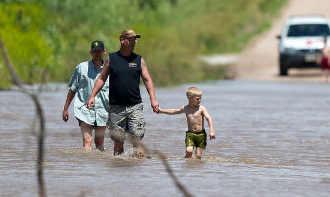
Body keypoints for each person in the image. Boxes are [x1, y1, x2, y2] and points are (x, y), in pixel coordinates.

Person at [87, 29, 159, 157]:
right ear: (122, 40)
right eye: (131, 39)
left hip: (135, 106)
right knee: (118, 143)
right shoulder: (112, 58)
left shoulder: (139, 60)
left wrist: (153, 99)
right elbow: (101, 78)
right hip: (116, 108)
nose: (133, 43)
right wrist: (92, 96)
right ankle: (119, 170)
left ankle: (138, 172)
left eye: (135, 40)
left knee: (137, 140)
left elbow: (147, 80)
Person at [62, 40, 108, 151]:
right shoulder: (81, 68)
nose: (96, 53)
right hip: (84, 109)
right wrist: (66, 109)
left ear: (104, 52)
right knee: (87, 141)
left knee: (99, 144)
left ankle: (97, 167)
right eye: (94, 51)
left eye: (99, 51)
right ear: (90, 52)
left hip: (103, 110)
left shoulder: (109, 69)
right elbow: (72, 89)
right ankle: (85, 167)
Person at [157, 86, 215, 159]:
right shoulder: (185, 108)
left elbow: (209, 119)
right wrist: (161, 111)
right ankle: (187, 163)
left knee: (198, 156)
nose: (200, 100)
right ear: (189, 98)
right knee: (189, 151)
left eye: (200, 98)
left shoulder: (201, 108)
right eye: (197, 99)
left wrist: (211, 131)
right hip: (190, 135)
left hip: (201, 135)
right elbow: (174, 111)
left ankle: (195, 169)